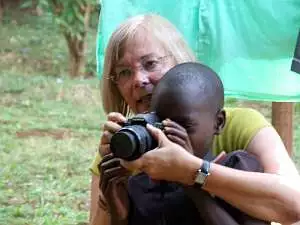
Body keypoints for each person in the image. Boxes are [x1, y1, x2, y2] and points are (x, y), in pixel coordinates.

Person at [89, 14, 300, 225]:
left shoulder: (240, 126)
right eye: (124, 72)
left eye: (150, 63)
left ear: (180, 60)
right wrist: (111, 205)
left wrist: (192, 171)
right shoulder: (127, 141)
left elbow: (295, 205)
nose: (138, 80)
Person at [119, 61, 270, 225]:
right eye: (160, 125)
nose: (169, 136)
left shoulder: (239, 168)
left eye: (184, 127)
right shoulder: (142, 184)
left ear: (218, 123)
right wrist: (114, 206)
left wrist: (190, 180)